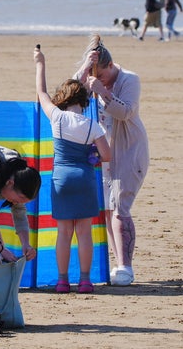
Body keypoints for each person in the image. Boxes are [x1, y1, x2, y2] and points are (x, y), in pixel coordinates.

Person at [33, 46, 111, 293]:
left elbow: (41, 91)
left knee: (64, 233)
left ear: (63, 99)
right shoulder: (92, 126)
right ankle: (85, 280)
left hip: (61, 178)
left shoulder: (57, 118)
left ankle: (62, 281)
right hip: (84, 178)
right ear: (83, 101)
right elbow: (107, 155)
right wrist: (92, 156)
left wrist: (40, 63)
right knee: (84, 233)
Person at [75, 34, 149, 286]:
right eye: (94, 75)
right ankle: (118, 264)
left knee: (120, 208)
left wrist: (102, 91)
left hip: (128, 151)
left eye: (102, 75)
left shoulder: (130, 79)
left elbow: (125, 112)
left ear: (110, 65)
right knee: (107, 210)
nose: (98, 79)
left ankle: (126, 267)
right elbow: (69, 95)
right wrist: (85, 69)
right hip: (102, 154)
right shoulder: (90, 77)